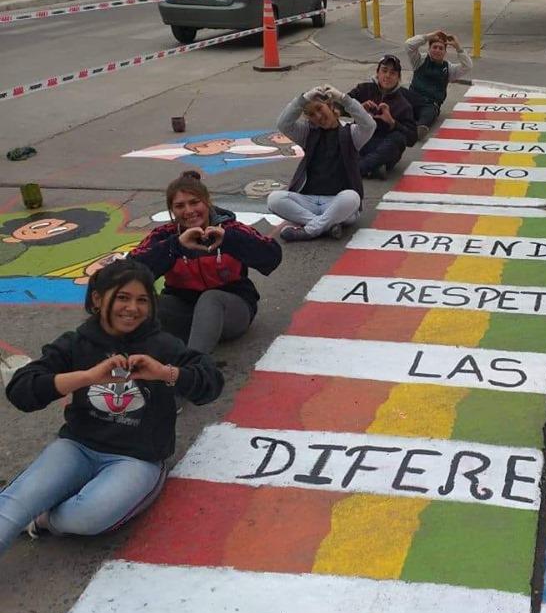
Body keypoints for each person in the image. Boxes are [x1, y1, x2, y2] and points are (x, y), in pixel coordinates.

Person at [0, 259, 223, 556]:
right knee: (15, 504)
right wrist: (86, 377)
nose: (132, 308)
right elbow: (21, 390)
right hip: (77, 447)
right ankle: (31, 506)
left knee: (87, 515)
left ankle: (42, 518)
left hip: (136, 459)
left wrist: (164, 373)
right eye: (122, 297)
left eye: (142, 300)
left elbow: (211, 381)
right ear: (97, 298)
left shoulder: (162, 344)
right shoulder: (76, 342)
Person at [130, 171, 282, 353]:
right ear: (172, 210)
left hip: (230, 312)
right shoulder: (164, 235)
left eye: (195, 202)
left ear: (207, 202)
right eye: (179, 206)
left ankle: (194, 366)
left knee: (210, 298)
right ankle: (113, 358)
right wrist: (175, 246)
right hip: (185, 311)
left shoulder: (230, 229)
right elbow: (127, 272)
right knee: (135, 300)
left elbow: (272, 256)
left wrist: (230, 240)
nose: (188, 211)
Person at [267, 84, 376, 242]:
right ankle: (325, 225)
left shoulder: (351, 133)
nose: (318, 116)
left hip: (337, 201)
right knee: (274, 199)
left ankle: (309, 230)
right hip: (309, 200)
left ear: (330, 106)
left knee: (352, 197)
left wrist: (344, 99)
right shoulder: (308, 132)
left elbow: (369, 125)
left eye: (319, 108)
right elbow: (283, 124)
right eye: (311, 114)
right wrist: (303, 100)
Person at [347, 55, 417, 180]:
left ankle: (356, 168)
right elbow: (338, 106)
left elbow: (412, 138)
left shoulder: (403, 103)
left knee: (398, 138)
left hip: (383, 147)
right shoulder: (363, 89)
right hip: (361, 141)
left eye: (393, 73)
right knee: (342, 131)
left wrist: (392, 122)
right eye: (384, 71)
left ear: (398, 77)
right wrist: (358, 108)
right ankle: (372, 168)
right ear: (377, 73)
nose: (388, 76)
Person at [403, 28, 473, 141]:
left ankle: (419, 129)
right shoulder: (419, 60)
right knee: (399, 93)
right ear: (429, 49)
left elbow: (467, 67)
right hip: (413, 97)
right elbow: (408, 44)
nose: (437, 50)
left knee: (429, 114)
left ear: (445, 52)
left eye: (441, 48)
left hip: (430, 104)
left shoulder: (449, 68)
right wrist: (428, 36)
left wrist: (458, 47)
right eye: (434, 47)